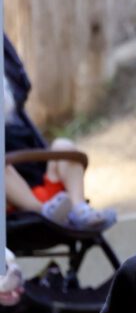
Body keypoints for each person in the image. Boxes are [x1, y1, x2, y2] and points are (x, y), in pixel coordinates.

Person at [4, 33, 116, 231]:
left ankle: (79, 208)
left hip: (52, 194)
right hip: (17, 204)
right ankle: (43, 212)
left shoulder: (16, 120)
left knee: (63, 145)